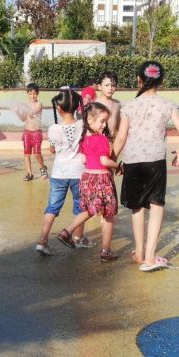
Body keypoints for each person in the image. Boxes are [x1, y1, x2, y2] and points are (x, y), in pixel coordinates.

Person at [114, 61, 179, 272]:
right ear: (161, 81)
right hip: (155, 161)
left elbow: (121, 137)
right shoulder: (167, 104)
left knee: (137, 207)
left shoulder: (129, 106)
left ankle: (139, 253)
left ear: (139, 80)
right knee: (156, 206)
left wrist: (112, 161)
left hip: (132, 160)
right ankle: (150, 258)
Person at [57, 102, 120, 262]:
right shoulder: (102, 139)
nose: (104, 124)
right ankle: (106, 251)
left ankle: (67, 231)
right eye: (102, 121)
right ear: (90, 121)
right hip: (101, 179)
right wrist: (118, 166)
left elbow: (84, 159)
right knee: (108, 215)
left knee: (89, 211)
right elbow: (105, 160)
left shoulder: (84, 138)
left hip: (87, 178)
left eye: (106, 121)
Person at [36, 89, 94, 255]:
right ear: (77, 107)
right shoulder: (83, 125)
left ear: (59, 109)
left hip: (59, 173)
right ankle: (78, 237)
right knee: (80, 206)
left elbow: (53, 150)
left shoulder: (53, 128)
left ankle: (43, 240)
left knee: (52, 207)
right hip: (79, 173)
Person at [15, 83, 48, 181]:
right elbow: (22, 119)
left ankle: (43, 167)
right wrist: (17, 111)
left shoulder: (39, 104)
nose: (32, 96)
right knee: (26, 154)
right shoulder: (26, 105)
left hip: (36, 133)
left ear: (37, 94)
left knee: (37, 153)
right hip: (27, 132)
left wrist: (23, 107)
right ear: (27, 94)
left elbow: (33, 111)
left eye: (34, 94)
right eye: (30, 94)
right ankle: (29, 173)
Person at [95, 71, 121, 136]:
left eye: (113, 85)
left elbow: (118, 125)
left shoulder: (117, 104)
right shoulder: (96, 104)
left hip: (114, 140)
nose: (110, 88)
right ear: (99, 87)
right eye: (107, 85)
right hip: (100, 140)